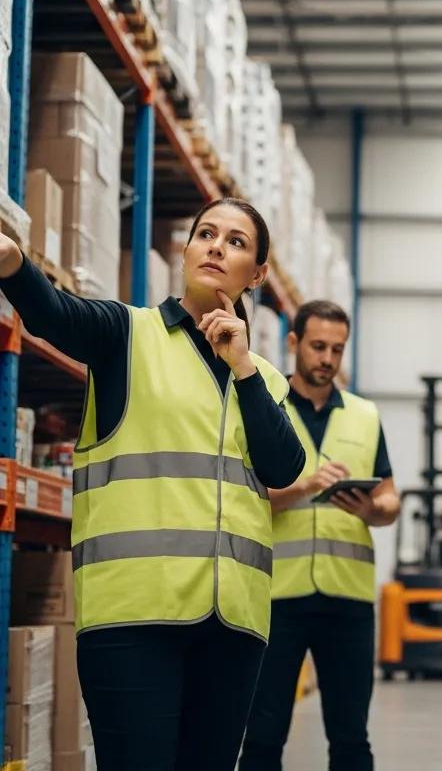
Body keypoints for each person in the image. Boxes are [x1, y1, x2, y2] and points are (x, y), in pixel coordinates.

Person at [0, 197, 305, 771]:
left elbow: (284, 467)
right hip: (133, 619)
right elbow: (55, 314)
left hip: (233, 625)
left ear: (257, 274)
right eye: (205, 234)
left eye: (236, 242)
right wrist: (12, 260)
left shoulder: (262, 378)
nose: (216, 247)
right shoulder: (126, 334)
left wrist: (243, 366)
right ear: (186, 252)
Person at [240, 300, 400, 771]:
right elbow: (242, 497)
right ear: (293, 343)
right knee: (263, 735)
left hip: (347, 599)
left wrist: (372, 509)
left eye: (337, 349)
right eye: (317, 346)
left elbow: (391, 499)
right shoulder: (264, 405)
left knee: (351, 738)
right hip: (275, 597)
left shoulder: (365, 415)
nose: (327, 358)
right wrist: (305, 486)